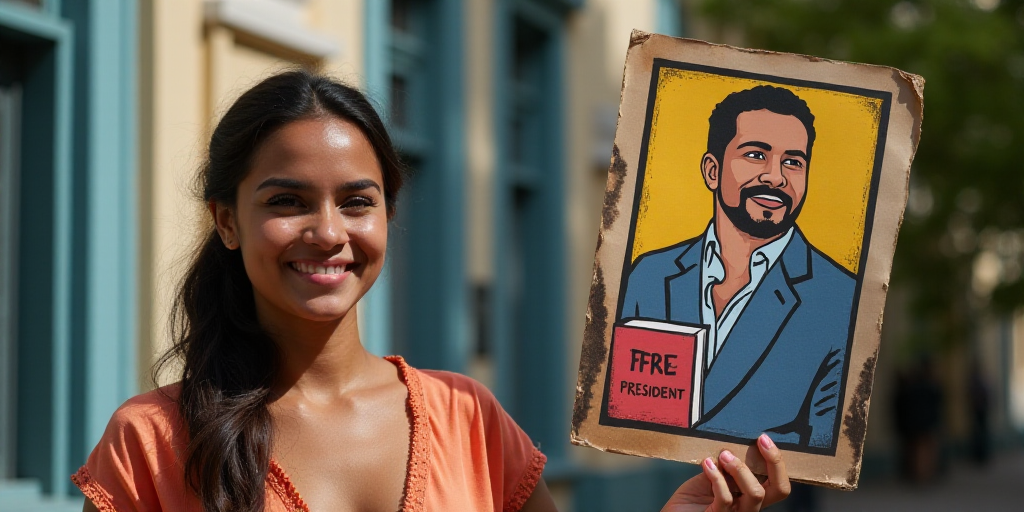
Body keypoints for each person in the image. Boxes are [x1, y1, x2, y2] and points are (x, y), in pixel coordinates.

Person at [71, 71, 790, 512]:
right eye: (287, 201)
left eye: (357, 202)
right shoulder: (150, 442)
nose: (328, 232)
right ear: (227, 221)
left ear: (387, 215)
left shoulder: (468, 418)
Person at [621, 85, 856, 449]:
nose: (776, 177)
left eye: (793, 162)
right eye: (756, 155)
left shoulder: (839, 299)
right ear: (712, 170)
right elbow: (630, 418)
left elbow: (826, 453)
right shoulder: (649, 275)